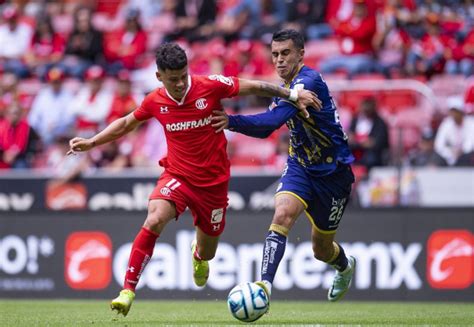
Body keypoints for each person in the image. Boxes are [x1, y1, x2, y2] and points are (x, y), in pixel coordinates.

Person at [67, 42, 320, 317]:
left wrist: (292, 94)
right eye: (172, 79)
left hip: (213, 184)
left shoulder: (210, 85)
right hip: (177, 176)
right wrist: (92, 142)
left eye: (183, 76)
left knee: (209, 250)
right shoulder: (155, 100)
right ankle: (127, 291)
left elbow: (257, 86)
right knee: (154, 218)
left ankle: (199, 255)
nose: (179, 84)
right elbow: (127, 123)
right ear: (159, 77)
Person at [212, 29, 356, 304]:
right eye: (275, 54)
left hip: (333, 174)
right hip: (300, 165)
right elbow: (268, 124)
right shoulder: (284, 91)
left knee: (321, 250)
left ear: (301, 54)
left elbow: (269, 124)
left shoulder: (307, 82)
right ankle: (263, 287)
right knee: (282, 214)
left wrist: (231, 121)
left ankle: (345, 266)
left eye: (286, 53)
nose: (279, 60)